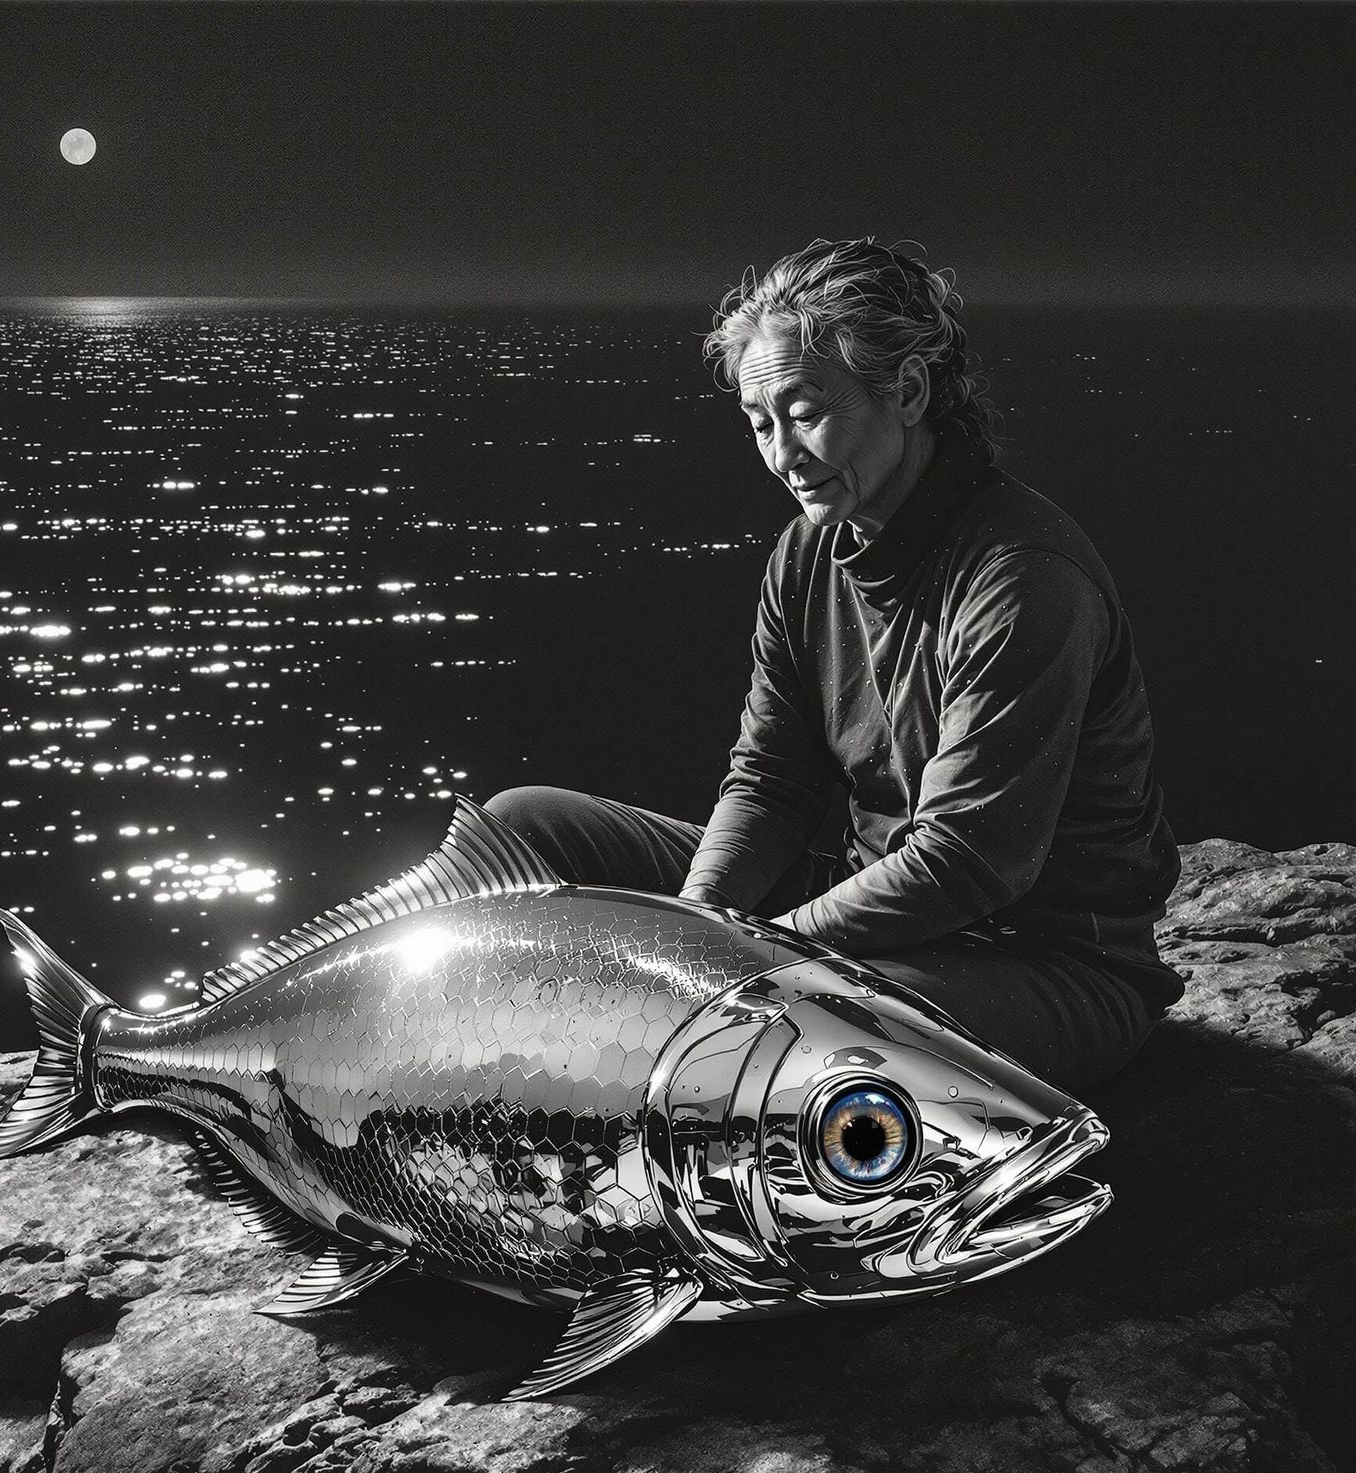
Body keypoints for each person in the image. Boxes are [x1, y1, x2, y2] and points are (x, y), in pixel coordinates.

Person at [487, 237, 1184, 1092]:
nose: (783, 454)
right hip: (868, 908)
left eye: (807, 412)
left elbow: (966, 860)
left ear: (909, 391)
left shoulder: (1023, 579)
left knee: (786, 1036)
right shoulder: (808, 553)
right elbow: (772, 782)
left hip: (1043, 961)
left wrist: (743, 965)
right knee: (525, 830)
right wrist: (698, 927)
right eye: (759, 424)